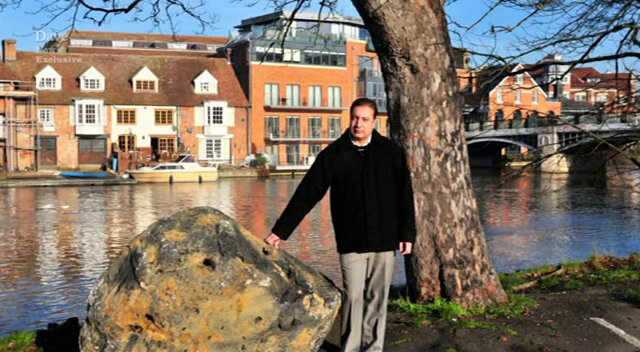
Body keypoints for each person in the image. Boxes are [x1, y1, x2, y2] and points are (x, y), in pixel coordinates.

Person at [264, 97, 416, 352]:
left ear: (374, 122)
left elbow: (405, 195)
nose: (358, 124)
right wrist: (281, 231)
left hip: (385, 238)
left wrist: (407, 233)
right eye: (354, 118)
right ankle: (351, 348)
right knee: (354, 297)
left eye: (364, 119)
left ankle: (373, 348)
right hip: (351, 239)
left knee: (377, 298)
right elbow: (307, 193)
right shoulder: (334, 154)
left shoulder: (391, 152)